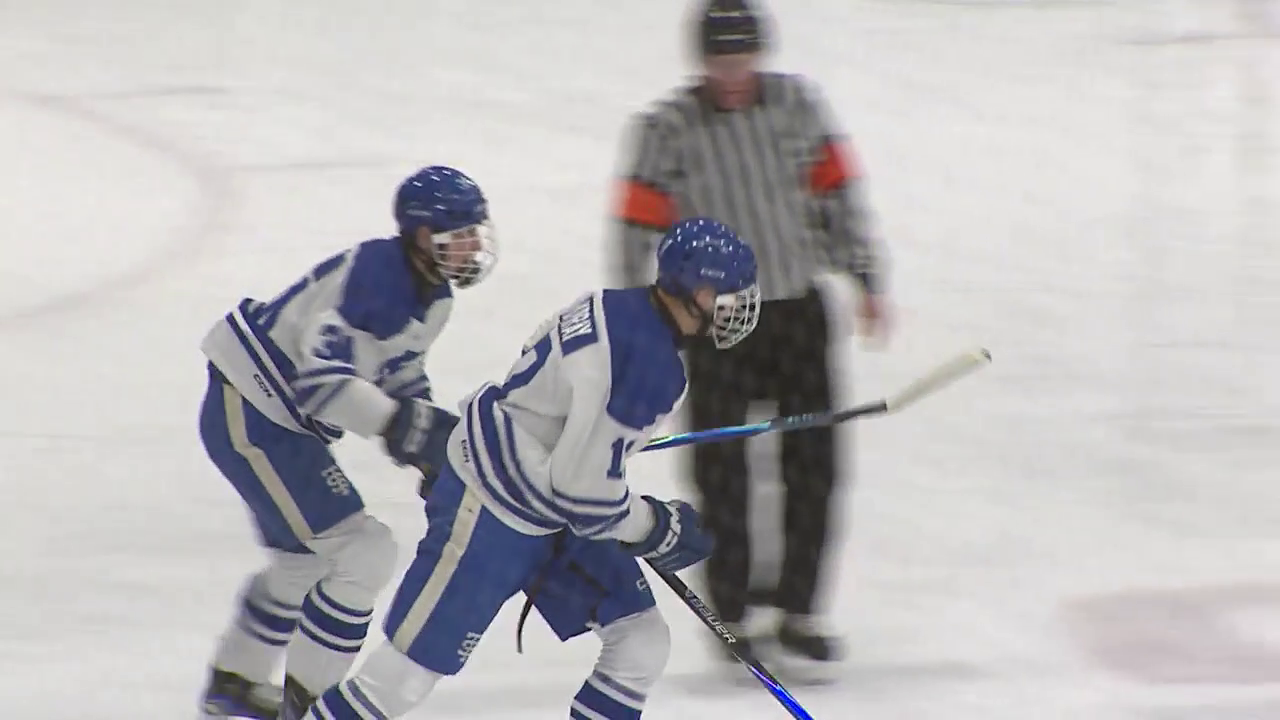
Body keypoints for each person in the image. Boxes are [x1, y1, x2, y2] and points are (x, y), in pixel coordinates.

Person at [296, 217, 761, 719]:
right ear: (698, 289)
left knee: (641, 639)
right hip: (490, 508)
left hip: (544, 505)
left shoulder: (612, 303)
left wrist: (571, 447)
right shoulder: (652, 369)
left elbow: (550, 408)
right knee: (399, 682)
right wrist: (655, 527)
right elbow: (584, 494)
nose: (739, 305)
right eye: (729, 293)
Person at [609, 0, 892, 667]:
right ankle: (731, 611)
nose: (733, 71)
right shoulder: (666, 128)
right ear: (702, 61)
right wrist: (636, 320)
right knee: (722, 472)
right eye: (720, 58)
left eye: (743, 56)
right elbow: (635, 228)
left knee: (814, 466)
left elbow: (838, 195)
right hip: (718, 323)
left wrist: (865, 277)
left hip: (797, 313)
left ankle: (799, 609)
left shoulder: (799, 106)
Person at [195, 166, 497, 719]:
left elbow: (398, 373)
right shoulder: (377, 276)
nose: (472, 246)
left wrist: (433, 448)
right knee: (364, 551)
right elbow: (323, 384)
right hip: (256, 411)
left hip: (268, 417)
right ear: (421, 235)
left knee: (302, 564)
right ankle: (308, 707)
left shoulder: (432, 296)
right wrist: (409, 429)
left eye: (475, 232)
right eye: (459, 235)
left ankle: (234, 688)